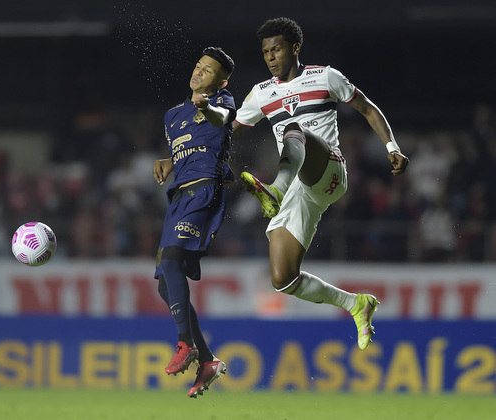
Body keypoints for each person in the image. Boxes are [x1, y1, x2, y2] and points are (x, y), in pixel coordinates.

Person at [234, 18, 409, 350]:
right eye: (266, 51)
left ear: (295, 47)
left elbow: (367, 108)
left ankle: (275, 189)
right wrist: (183, 154)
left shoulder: (325, 76)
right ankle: (355, 304)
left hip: (329, 170)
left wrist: (392, 147)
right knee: (282, 279)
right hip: (300, 190)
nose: (271, 56)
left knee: (293, 130)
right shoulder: (261, 93)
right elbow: (232, 129)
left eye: (277, 49)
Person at [153, 47, 236, 397]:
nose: (199, 73)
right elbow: (187, 147)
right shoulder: (173, 115)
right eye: (198, 67)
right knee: (163, 284)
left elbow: (221, 120)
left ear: (221, 81)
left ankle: (185, 343)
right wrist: (168, 161)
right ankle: (207, 360)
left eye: (208, 71)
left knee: (171, 261)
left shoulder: (223, 101)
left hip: (204, 193)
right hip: (177, 198)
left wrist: (209, 107)